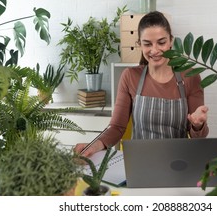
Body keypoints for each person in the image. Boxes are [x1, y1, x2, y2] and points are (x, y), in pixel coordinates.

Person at [74, 11, 209, 157]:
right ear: (139, 44)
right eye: (147, 44)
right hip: (138, 162)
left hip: (178, 162)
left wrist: (197, 125)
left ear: (171, 41)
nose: (155, 50)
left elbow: (199, 139)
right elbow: (116, 127)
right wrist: (92, 147)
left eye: (161, 42)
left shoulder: (190, 76)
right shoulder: (130, 77)